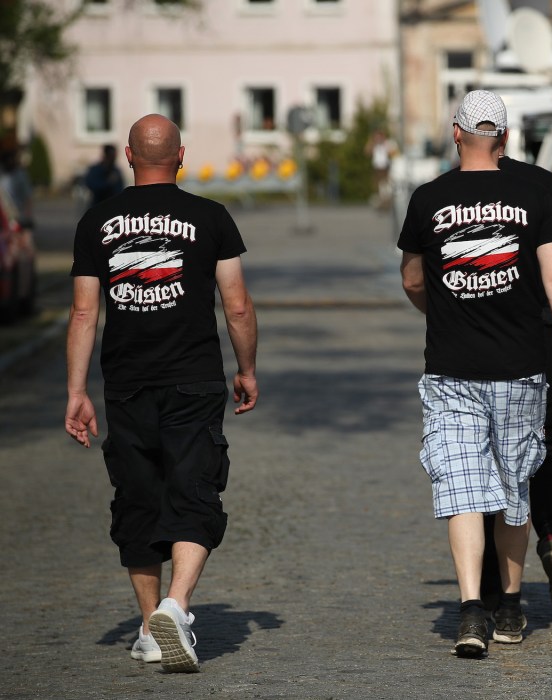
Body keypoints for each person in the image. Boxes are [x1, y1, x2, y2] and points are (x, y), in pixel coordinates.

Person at [65, 114, 258, 673]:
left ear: (128, 155)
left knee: (139, 500)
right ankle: (176, 606)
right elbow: (237, 304)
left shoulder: (96, 221)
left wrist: (77, 391)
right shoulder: (210, 217)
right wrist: (246, 368)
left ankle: (152, 624)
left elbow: (83, 312)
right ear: (181, 156)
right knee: (195, 491)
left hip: (125, 385)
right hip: (195, 378)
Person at [398, 90, 552, 658]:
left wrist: (446, 308)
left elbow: (410, 279)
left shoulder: (429, 197)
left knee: (461, 491)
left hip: (452, 369)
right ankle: (508, 603)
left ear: (456, 133)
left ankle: (470, 611)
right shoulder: (533, 191)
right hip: (522, 368)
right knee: (512, 490)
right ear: (504, 138)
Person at [479, 148, 552, 615]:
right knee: (546, 445)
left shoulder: (452, 187)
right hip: (541, 336)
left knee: (484, 453)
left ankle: (490, 580)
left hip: (477, 336)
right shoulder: (539, 182)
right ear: (505, 135)